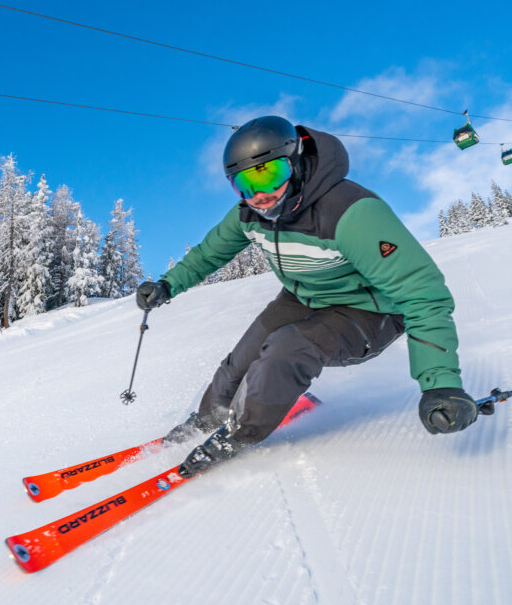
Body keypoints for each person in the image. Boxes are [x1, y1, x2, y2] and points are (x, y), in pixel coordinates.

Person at [135, 116, 477, 477]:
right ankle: (210, 417)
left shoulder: (351, 212)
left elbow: (422, 293)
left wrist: (441, 384)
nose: (260, 194)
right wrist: (167, 285)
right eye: (245, 183)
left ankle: (238, 433)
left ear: (296, 162)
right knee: (244, 358)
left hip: (369, 310)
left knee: (287, 348)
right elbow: (209, 254)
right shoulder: (250, 214)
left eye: (269, 175)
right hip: (303, 297)